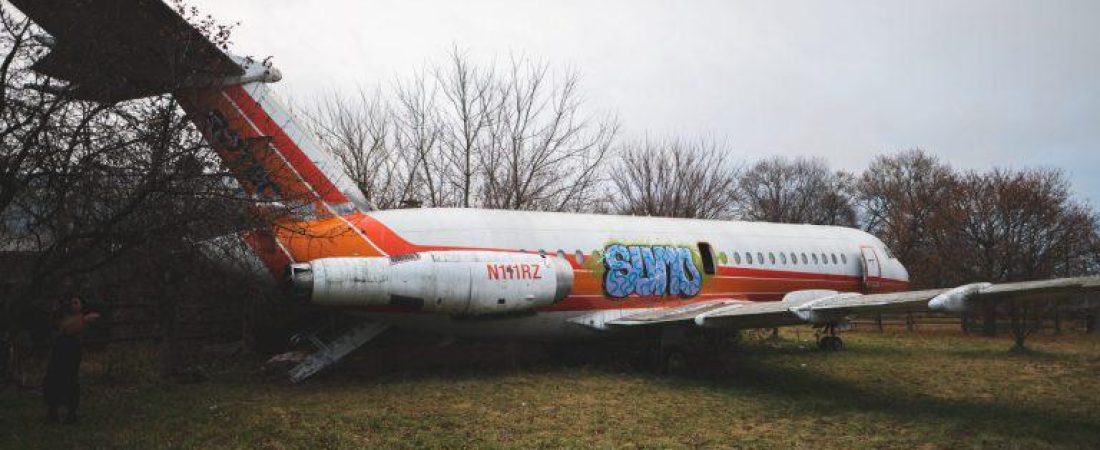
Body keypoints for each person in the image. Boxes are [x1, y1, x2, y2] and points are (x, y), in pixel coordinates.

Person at [43, 296, 99, 424]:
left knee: (70, 379)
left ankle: (70, 413)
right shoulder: (65, 317)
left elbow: (69, 329)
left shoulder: (83, 319)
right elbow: (60, 326)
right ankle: (53, 410)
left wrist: (82, 320)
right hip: (60, 349)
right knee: (54, 377)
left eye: (76, 303)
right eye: (71, 302)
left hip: (72, 350)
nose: (72, 305)